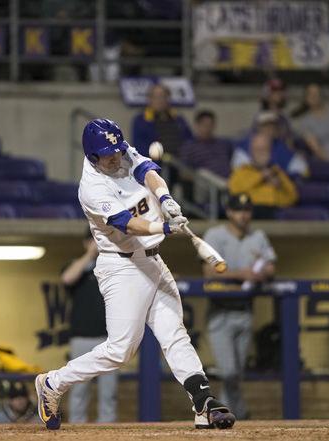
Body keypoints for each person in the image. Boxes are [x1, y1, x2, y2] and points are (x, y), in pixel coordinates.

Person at [35, 118, 235, 431]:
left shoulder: (121, 150)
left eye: (116, 150)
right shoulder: (91, 187)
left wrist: (166, 199)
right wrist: (164, 226)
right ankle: (53, 383)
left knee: (174, 332)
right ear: (92, 157)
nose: (115, 157)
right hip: (122, 266)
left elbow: (147, 171)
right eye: (107, 154)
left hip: (153, 261)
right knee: (120, 350)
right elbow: (125, 222)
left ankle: (203, 401)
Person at [202, 193, 276, 420]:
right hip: (220, 312)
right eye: (238, 210)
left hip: (245, 311)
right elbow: (208, 272)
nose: (243, 215)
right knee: (229, 371)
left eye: (247, 210)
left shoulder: (258, 236)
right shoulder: (214, 235)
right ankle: (239, 412)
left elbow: (271, 266)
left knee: (236, 374)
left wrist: (261, 272)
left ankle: (229, 415)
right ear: (229, 212)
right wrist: (240, 274)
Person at [60, 230, 117, 423]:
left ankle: (108, 432)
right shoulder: (76, 265)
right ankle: (77, 430)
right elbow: (67, 278)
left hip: (109, 339)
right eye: (94, 238)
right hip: (81, 338)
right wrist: (89, 255)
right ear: (86, 242)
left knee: (108, 392)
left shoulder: (113, 265)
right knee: (79, 390)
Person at [228, 133, 299, 219]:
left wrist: (280, 187)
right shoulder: (242, 171)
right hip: (252, 215)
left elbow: (293, 198)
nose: (261, 153)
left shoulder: (277, 172)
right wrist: (261, 177)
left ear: (270, 151)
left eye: (264, 149)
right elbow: (235, 191)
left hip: (276, 213)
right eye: (258, 150)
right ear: (251, 152)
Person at [292, 83, 329, 165]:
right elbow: (317, 150)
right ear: (306, 98)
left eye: (316, 93)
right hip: (323, 164)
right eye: (310, 94)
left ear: (321, 96)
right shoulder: (305, 122)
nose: (314, 96)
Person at [233, 112, 308, 177]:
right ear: (258, 127)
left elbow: (301, 169)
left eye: (272, 125)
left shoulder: (281, 147)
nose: (269, 129)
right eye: (265, 125)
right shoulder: (244, 146)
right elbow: (239, 170)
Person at [131, 83, 192, 158]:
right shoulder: (141, 120)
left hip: (179, 161)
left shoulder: (178, 119)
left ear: (168, 98)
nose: (159, 100)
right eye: (156, 97)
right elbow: (138, 146)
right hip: (153, 163)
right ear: (149, 99)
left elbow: (189, 140)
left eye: (163, 96)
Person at [180, 110, 232, 179]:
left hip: (230, 181)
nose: (207, 129)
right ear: (197, 125)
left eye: (210, 125)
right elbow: (183, 172)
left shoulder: (223, 144)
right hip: (206, 183)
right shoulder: (189, 147)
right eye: (205, 125)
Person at [252, 78, 293, 147]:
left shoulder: (283, 118)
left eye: (281, 90)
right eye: (275, 91)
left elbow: (289, 141)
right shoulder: (261, 116)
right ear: (266, 93)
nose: (279, 93)